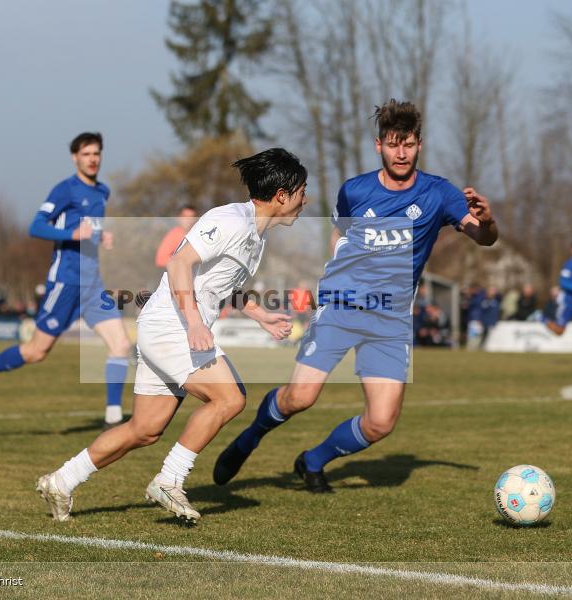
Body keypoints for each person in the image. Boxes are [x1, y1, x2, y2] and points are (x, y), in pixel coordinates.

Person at [213, 100, 498, 493]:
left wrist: (488, 221)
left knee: (381, 423)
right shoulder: (355, 190)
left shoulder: (440, 193)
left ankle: (313, 460)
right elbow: (339, 233)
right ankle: (251, 436)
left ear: (420, 145)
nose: (401, 153)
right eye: (394, 144)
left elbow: (482, 237)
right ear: (379, 144)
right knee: (301, 397)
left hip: (391, 319)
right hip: (341, 306)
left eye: (409, 144)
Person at [35, 148, 308, 523]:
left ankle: (61, 480)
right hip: (171, 326)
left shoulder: (256, 236)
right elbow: (179, 262)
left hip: (169, 327)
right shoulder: (230, 219)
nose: (305, 200)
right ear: (282, 195)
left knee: (144, 430)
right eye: (302, 191)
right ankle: (169, 480)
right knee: (230, 398)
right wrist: (194, 321)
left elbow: (220, 284)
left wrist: (260, 315)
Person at [0, 132, 133, 427]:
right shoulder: (65, 190)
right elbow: (36, 226)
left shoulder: (103, 191)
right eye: (86, 154)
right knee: (36, 352)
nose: (92, 159)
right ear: (75, 157)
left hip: (92, 286)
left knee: (121, 345)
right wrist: (72, 235)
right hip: (64, 283)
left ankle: (113, 418)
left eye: (96, 153)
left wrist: (102, 237)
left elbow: (89, 230)